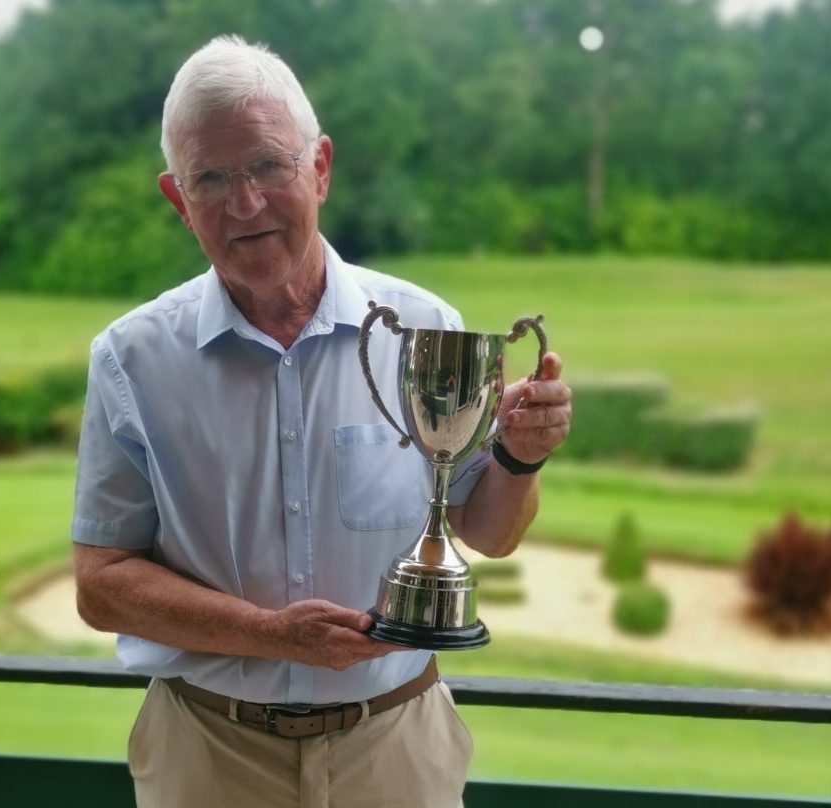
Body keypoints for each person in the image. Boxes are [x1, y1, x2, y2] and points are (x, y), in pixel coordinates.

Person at [71, 34, 572, 808]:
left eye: (269, 165)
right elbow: (101, 587)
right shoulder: (131, 360)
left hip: (396, 749)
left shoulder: (425, 327)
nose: (245, 204)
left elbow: (487, 532)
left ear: (321, 168)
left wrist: (518, 458)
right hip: (207, 757)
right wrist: (270, 636)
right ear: (178, 200)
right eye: (211, 178)